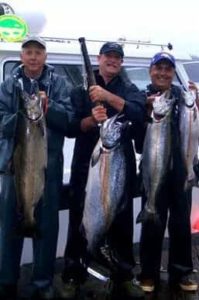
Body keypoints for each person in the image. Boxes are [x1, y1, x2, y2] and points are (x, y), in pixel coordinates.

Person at [60, 41, 146, 300]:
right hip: (87, 166)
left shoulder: (128, 88)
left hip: (119, 164)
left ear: (121, 62)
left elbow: (139, 112)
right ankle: (73, 275)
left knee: (121, 224)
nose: (113, 61)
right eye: (108, 56)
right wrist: (89, 119)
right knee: (79, 223)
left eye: (117, 58)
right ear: (99, 59)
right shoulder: (80, 89)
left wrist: (108, 98)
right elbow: (70, 126)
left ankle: (124, 276)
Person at [0, 36, 73, 299]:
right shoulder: (8, 85)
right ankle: (6, 280)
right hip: (14, 166)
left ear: (45, 56)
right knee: (9, 225)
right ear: (21, 56)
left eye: (38, 52)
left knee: (47, 226)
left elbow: (69, 120)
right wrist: (22, 115)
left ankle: (42, 284)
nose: (33, 57)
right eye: (28, 52)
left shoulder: (59, 84)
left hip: (48, 167)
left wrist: (49, 106)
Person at [138, 52, 198, 293]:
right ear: (150, 70)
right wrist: (145, 107)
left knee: (181, 223)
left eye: (168, 69)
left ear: (173, 73)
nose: (163, 73)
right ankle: (148, 273)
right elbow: (132, 124)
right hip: (153, 169)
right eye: (158, 68)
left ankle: (182, 271)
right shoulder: (140, 96)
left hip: (181, 171)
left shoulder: (183, 97)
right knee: (152, 222)